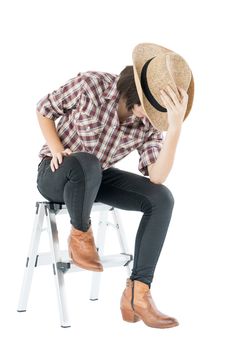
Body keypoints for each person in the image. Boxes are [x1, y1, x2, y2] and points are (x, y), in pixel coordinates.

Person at [36, 42, 194, 329]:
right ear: (135, 94)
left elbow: (156, 176)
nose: (151, 117)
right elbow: (44, 109)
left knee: (162, 199)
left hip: (96, 176)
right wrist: (57, 148)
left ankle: (138, 293)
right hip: (59, 171)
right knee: (87, 163)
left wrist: (174, 129)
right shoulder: (91, 85)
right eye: (150, 109)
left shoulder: (147, 126)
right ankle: (80, 235)